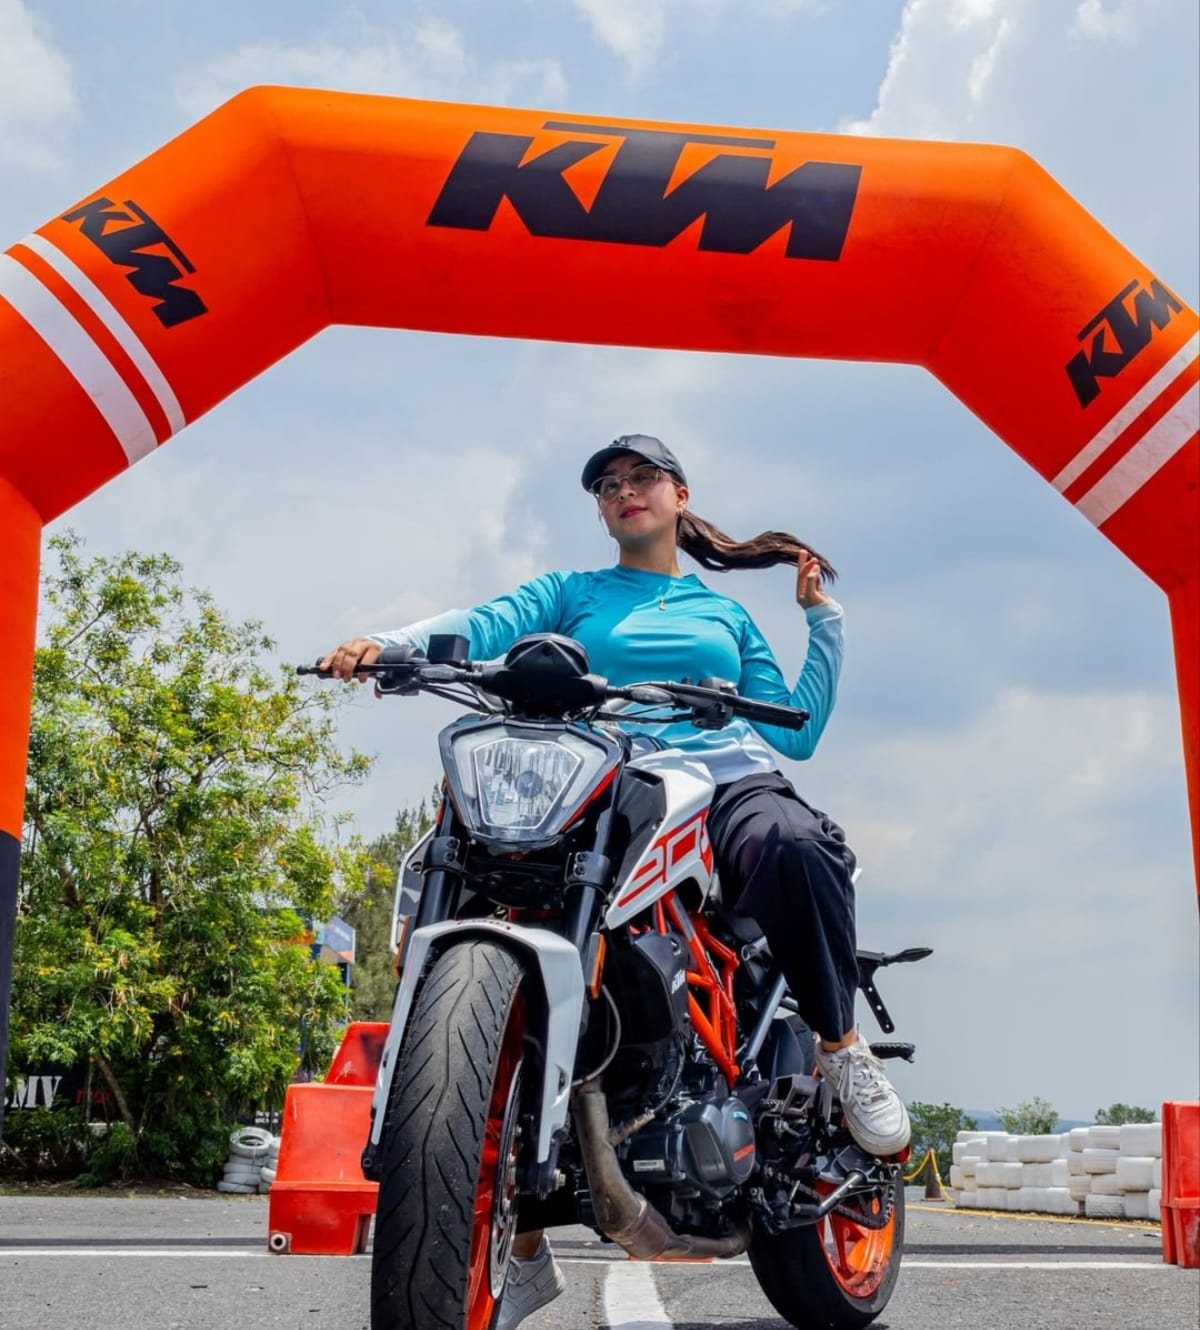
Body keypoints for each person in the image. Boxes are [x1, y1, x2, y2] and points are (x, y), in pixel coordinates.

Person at [322, 433, 911, 1330]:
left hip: (716, 779)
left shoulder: (722, 615)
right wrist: (384, 645)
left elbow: (795, 728)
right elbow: (483, 623)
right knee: (480, 863)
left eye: (641, 478)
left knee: (793, 841)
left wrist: (822, 621)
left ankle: (841, 1047)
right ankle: (523, 1240)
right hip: (596, 778)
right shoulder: (572, 593)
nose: (624, 491)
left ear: (679, 495)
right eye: (608, 485)